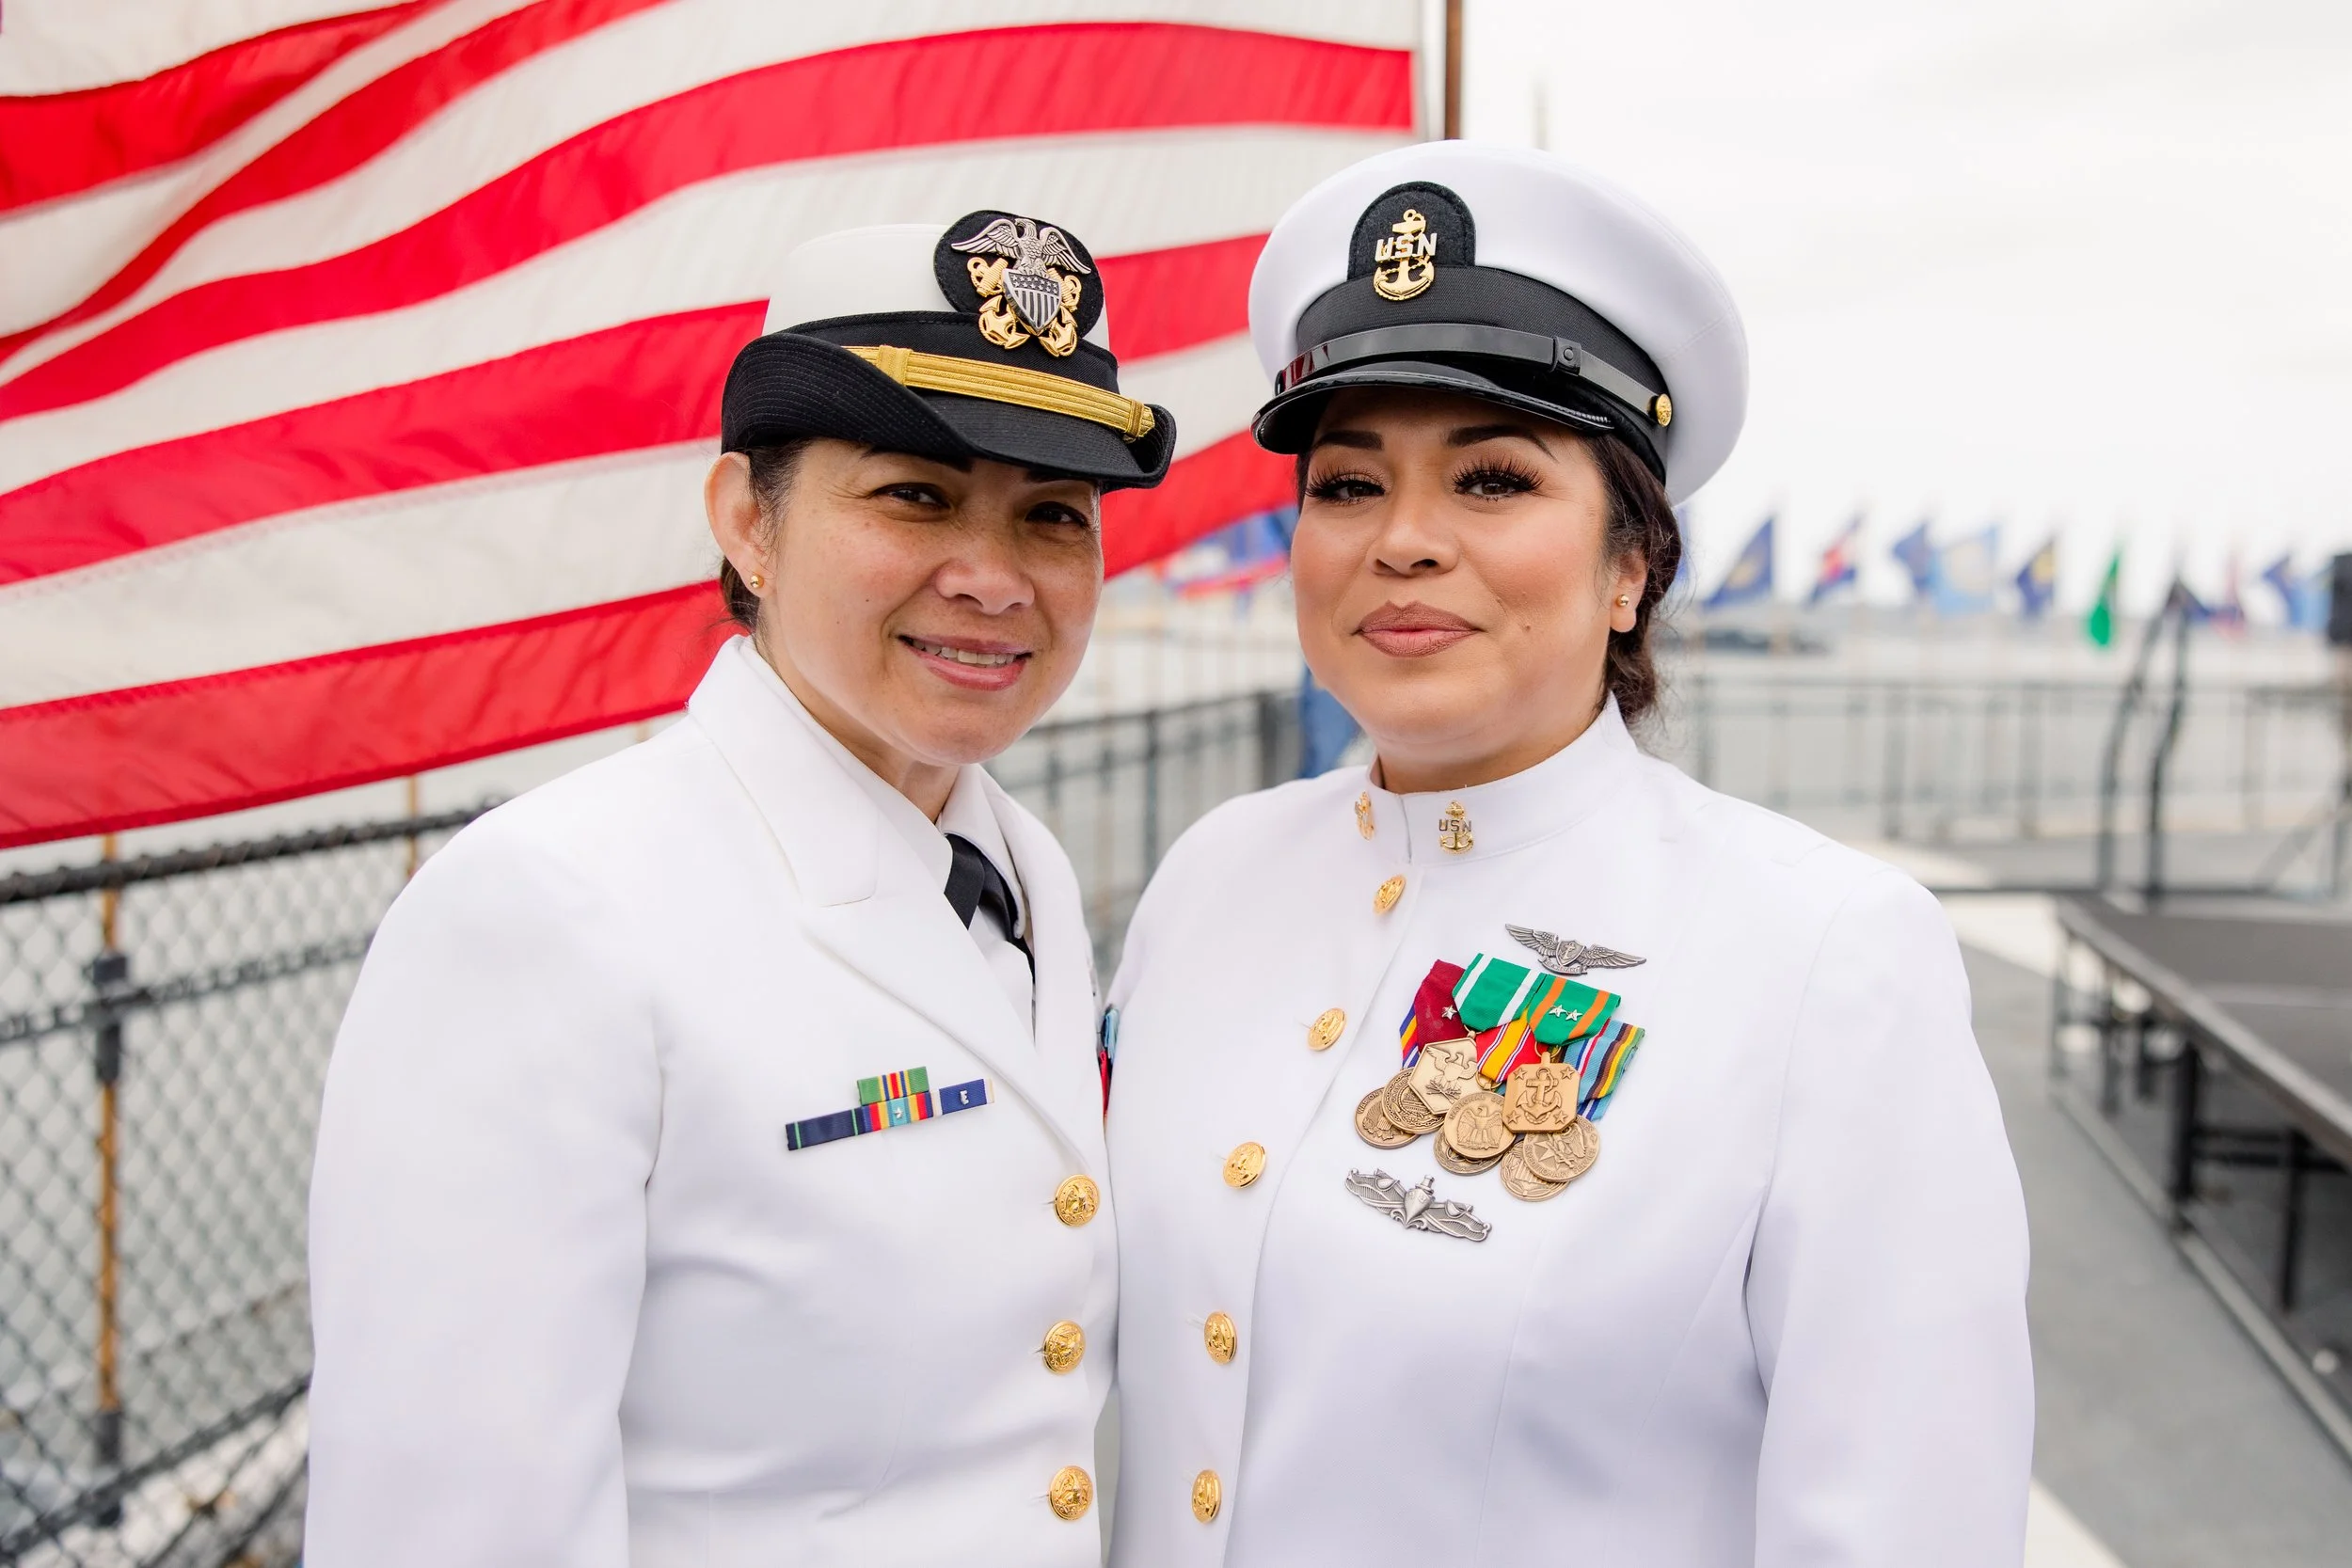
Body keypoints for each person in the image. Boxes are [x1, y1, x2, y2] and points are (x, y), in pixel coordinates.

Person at [1103, 141, 2032, 1567]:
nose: (1403, 541)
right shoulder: (1214, 877)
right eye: (1347, 485)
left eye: (1491, 479)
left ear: (1629, 566)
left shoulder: (1821, 955)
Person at [305, 211, 1173, 1566]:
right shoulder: (552, 913)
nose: (994, 579)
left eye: (1053, 517)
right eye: (914, 494)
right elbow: (454, 1525)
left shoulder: (1023, 872)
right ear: (745, 524)